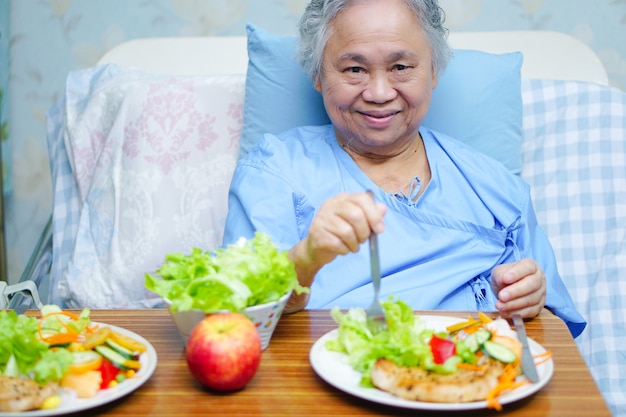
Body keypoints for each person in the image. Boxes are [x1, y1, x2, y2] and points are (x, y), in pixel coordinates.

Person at [223, 0, 586, 337]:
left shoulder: (496, 189)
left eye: (400, 67)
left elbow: (550, 330)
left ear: (433, 72)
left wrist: (532, 298)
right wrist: (307, 256)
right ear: (318, 76)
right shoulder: (274, 171)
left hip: (465, 384)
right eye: (354, 69)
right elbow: (238, 317)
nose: (379, 92)